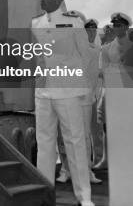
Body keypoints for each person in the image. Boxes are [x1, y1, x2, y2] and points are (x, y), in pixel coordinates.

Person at [31, 0, 94, 206]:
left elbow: (85, 55)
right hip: (43, 91)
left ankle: (84, 196)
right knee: (44, 144)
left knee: (75, 142)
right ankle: (45, 195)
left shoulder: (74, 23)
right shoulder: (36, 23)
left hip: (68, 90)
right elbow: (38, 56)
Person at [56, 17, 102, 185]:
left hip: (84, 98)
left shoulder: (94, 50)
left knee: (84, 137)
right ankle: (66, 170)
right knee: (65, 135)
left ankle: (86, 171)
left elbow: (92, 76)